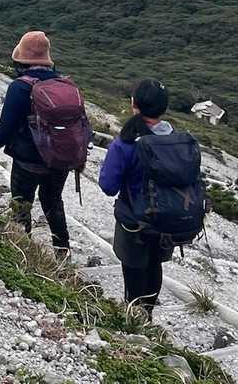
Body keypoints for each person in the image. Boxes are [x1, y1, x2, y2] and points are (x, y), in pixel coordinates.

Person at [99, 79, 203, 319]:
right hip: (169, 221)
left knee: (134, 270)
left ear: (133, 104)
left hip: (134, 222)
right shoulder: (180, 141)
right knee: (154, 266)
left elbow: (108, 186)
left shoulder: (126, 143)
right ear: (163, 108)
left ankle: (134, 319)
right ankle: (147, 314)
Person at [0, 30, 71, 254]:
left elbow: (6, 128)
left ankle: (23, 252)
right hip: (60, 158)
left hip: (28, 160)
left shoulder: (20, 87)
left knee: (21, 205)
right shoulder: (65, 84)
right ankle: (62, 251)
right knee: (53, 201)